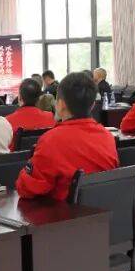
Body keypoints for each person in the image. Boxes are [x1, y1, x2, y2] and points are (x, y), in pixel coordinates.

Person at [16, 72, 118, 200]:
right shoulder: (108, 137)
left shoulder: (51, 140)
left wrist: (29, 166)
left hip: (63, 212)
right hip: (105, 210)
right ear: (92, 105)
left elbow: (26, 189)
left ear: (60, 104)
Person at [5, 78, 55, 149]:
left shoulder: (7, 121)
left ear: (20, 98)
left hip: (19, 156)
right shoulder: (50, 117)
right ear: (39, 99)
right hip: (44, 155)